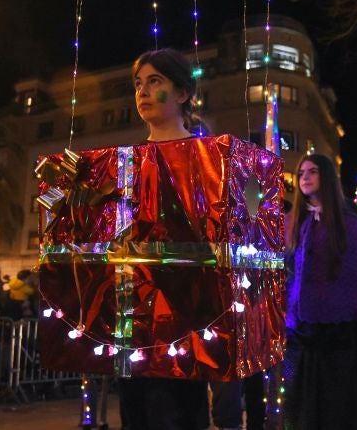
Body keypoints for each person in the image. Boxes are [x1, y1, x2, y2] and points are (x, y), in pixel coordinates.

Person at [117, 48, 209, 430]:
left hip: (185, 316)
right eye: (138, 83)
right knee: (135, 412)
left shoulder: (207, 159)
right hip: (130, 314)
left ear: (183, 93)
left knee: (177, 412)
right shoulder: (125, 164)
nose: (142, 91)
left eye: (155, 81)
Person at [284, 153, 357, 430]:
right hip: (308, 330)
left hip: (346, 331)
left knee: (344, 407)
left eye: (313, 171)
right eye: (301, 173)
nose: (305, 177)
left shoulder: (347, 219)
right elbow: (292, 269)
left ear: (327, 177)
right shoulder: (298, 222)